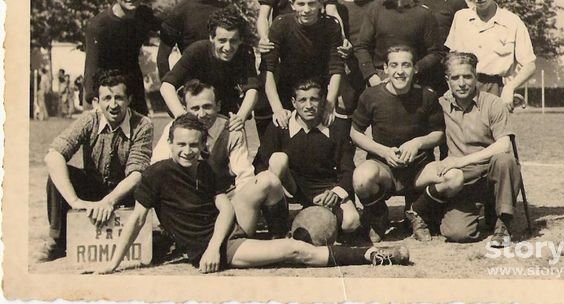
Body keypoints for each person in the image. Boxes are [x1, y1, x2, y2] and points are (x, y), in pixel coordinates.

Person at [99, 114, 410, 274]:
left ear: (202, 145)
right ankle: (372, 256)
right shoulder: (156, 174)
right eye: (181, 144)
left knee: (270, 196)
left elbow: (225, 210)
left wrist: (216, 244)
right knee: (295, 251)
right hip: (216, 247)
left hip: (225, 236)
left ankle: (282, 235)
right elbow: (137, 220)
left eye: (194, 145)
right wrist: (114, 263)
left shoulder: (204, 169)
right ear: (170, 142)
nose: (187, 151)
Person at [41, 70, 153, 261]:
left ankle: (156, 235)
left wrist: (109, 201)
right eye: (107, 98)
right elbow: (53, 155)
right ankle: (56, 240)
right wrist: (75, 202)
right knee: (57, 174)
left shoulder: (143, 124)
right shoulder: (89, 119)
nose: (113, 104)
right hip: (93, 189)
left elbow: (136, 173)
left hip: (125, 194)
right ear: (98, 101)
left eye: (119, 97)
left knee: (151, 178)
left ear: (129, 99)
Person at [152, 79, 287, 238]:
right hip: (188, 203)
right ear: (184, 109)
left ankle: (277, 235)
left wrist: (239, 210)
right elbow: (156, 170)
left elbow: (244, 177)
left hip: (226, 201)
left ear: (218, 105)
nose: (201, 114)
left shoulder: (231, 129)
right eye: (195, 108)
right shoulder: (176, 130)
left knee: (267, 180)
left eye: (207, 107)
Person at [255, 0, 346, 138]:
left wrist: (343, 38)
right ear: (293, 3)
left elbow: (332, 11)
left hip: (316, 48)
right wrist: (265, 38)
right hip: (285, 47)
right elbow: (263, 16)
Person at [427, 52, 522, 247]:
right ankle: (485, 208)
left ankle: (503, 223)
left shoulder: (493, 103)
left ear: (475, 77)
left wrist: (460, 161)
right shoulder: (439, 105)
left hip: (491, 174)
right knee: (457, 233)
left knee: (505, 160)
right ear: (447, 80)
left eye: (467, 76)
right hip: (462, 181)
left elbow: (504, 145)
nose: (462, 83)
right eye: (455, 77)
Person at [351, 46, 445, 242]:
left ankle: (416, 212)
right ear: (385, 68)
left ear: (415, 69)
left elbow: (438, 133)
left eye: (406, 65)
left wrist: (417, 143)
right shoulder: (371, 96)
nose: (400, 71)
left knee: (453, 177)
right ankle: (378, 216)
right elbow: (355, 132)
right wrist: (383, 152)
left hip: (419, 168)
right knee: (361, 178)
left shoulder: (427, 95)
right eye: (394, 65)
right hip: (385, 168)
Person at [256, 79, 360, 236]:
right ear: (293, 102)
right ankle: (278, 223)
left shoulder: (335, 128)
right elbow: (260, 164)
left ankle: (322, 221)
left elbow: (348, 170)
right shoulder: (281, 126)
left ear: (322, 101)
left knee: (351, 221)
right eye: (302, 100)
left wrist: (336, 193)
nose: (309, 106)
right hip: (293, 188)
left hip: (326, 190)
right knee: (278, 159)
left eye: (314, 99)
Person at [445, 0, 536, 112]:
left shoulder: (512, 21)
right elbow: (452, 59)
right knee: (464, 134)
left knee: (497, 134)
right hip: (464, 88)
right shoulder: (461, 18)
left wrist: (510, 88)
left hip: (496, 89)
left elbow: (530, 65)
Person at [260, 0, 344, 129]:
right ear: (292, 4)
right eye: (301, 4)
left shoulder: (331, 26)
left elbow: (337, 68)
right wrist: (277, 109)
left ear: (320, 4)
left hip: (319, 91)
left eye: (311, 4)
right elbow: (268, 69)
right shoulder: (280, 25)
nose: (306, 10)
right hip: (287, 89)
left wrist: (329, 105)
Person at [160, 8, 259, 132]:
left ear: (240, 39)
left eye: (233, 41)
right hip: (196, 111)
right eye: (222, 41)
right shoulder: (196, 51)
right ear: (212, 37)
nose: (227, 48)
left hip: (226, 111)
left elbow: (252, 89)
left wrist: (241, 117)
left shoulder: (245, 52)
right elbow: (166, 86)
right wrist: (181, 115)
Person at [354, 0, 444, 90]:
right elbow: (361, 47)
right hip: (380, 82)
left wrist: (414, 69)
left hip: (413, 85)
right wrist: (372, 76)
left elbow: (436, 52)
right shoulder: (375, 9)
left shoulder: (424, 14)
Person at [83, 0, 160, 116]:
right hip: (108, 89)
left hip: (134, 86)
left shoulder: (143, 15)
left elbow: (169, 28)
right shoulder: (99, 26)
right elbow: (91, 68)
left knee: (141, 134)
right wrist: (93, 102)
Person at [157, 0, 225, 79]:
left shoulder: (227, 10)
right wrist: (172, 90)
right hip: (193, 89)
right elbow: (162, 58)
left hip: (225, 86)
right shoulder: (179, 11)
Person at [411, 0, 467, 94]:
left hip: (446, 80)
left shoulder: (456, 1)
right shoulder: (408, 0)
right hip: (413, 78)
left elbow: (465, 43)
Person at [336, 0, 382, 128]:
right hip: (348, 76)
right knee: (344, 132)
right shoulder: (336, 9)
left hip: (374, 73)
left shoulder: (379, 5)